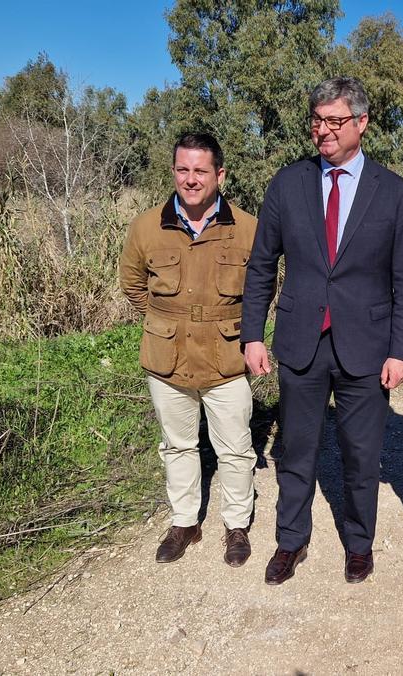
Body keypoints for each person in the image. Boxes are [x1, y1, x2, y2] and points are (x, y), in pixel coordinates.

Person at [241, 76, 403, 586]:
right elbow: (261, 266)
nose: (323, 130)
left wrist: (400, 350)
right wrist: (253, 334)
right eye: (317, 120)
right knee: (296, 449)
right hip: (301, 340)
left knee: (361, 455)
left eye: (335, 121)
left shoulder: (394, 193)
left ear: (361, 123)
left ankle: (359, 544)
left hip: (366, 345)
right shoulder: (288, 183)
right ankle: (290, 541)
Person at [119, 132, 258, 568]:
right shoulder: (146, 226)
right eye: (183, 169)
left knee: (236, 449)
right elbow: (132, 284)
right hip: (167, 358)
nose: (191, 179)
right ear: (174, 171)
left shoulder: (248, 228)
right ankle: (184, 522)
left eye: (200, 170)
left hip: (227, 358)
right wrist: (164, 324)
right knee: (177, 445)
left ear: (220, 175)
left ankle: (236, 525)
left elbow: (261, 288)